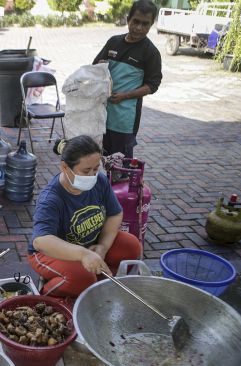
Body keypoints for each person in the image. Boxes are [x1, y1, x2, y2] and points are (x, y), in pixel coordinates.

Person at [29, 136, 142, 299]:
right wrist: (83, 254)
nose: (92, 175)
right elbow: (41, 241)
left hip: (89, 244)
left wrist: (102, 246)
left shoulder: (100, 181)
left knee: (131, 246)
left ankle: (97, 286)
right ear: (65, 167)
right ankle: (47, 296)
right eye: (86, 171)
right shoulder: (51, 198)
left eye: (96, 169)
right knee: (82, 278)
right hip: (50, 253)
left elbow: (115, 213)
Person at [93, 0, 162, 158]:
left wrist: (125, 95)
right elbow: (95, 66)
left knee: (119, 166)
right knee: (96, 161)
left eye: (145, 24)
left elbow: (153, 85)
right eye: (135, 21)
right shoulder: (114, 42)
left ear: (151, 24)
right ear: (128, 19)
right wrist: (100, 66)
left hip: (124, 121)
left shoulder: (150, 52)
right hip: (101, 115)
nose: (139, 28)